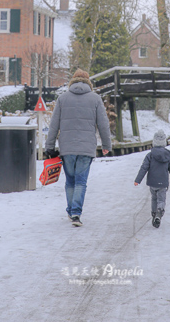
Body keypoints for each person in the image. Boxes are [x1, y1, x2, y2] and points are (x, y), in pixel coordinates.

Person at [45, 68, 112, 227]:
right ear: (89, 82)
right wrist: (106, 145)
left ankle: (70, 211)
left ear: (73, 81)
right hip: (86, 148)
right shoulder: (95, 99)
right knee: (81, 181)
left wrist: (49, 146)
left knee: (70, 181)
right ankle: (76, 213)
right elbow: (103, 125)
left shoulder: (63, 98)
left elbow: (53, 125)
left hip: (67, 147)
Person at [134, 130, 170, 228]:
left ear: (154, 141)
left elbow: (144, 168)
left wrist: (137, 180)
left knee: (154, 198)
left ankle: (154, 214)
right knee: (161, 200)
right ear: (164, 142)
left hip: (152, 183)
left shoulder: (150, 155)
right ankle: (159, 212)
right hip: (163, 184)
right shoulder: (168, 156)